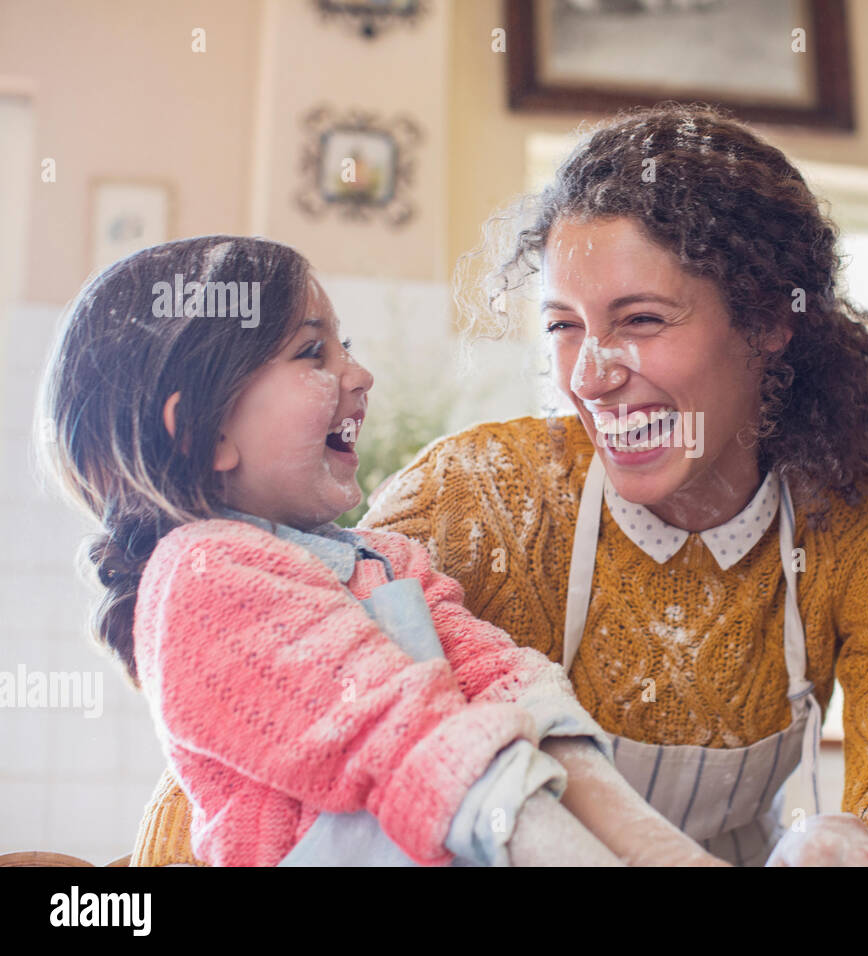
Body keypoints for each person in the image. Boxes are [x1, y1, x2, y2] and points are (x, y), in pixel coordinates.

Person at [360, 104, 868, 866]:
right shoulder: (474, 496)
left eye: (641, 320)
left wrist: (863, 855)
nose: (590, 375)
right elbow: (287, 697)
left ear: (771, 320)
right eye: (563, 325)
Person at [39, 235, 724, 866]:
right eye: (313, 353)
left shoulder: (385, 561)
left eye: (346, 347)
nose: (359, 374)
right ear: (202, 430)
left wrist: (669, 855)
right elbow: (415, 751)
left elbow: (510, 685)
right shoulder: (203, 579)